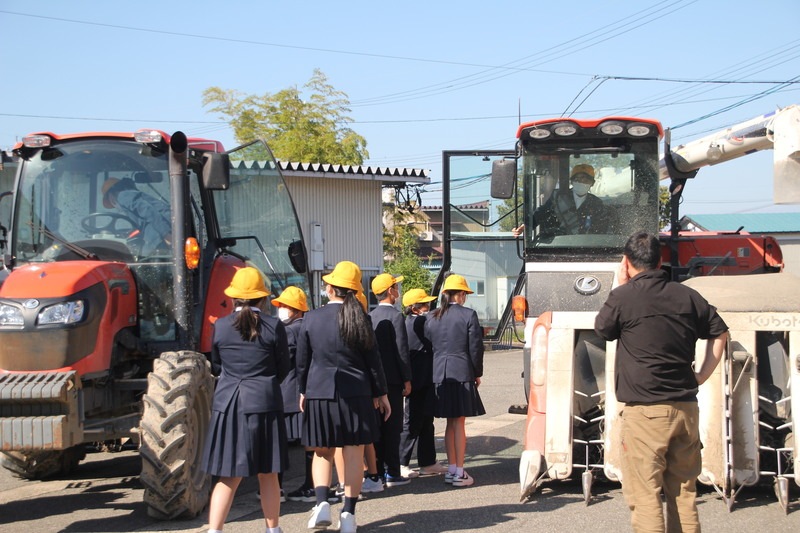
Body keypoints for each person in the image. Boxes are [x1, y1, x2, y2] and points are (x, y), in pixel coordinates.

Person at [594, 232, 729, 533]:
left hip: (645, 413)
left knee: (645, 497)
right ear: (660, 261)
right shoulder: (687, 296)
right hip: (685, 410)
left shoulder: (624, 297)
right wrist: (701, 375)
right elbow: (720, 332)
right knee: (684, 495)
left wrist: (620, 285)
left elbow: (603, 329)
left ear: (626, 262)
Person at [296, 261, 391, 533]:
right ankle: (348, 513)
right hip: (357, 393)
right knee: (353, 454)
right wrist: (381, 393)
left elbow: (302, 361)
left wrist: (303, 390)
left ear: (329, 288)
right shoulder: (362, 318)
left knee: (322, 452)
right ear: (355, 291)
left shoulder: (312, 318)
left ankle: (322, 503)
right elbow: (374, 361)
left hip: (319, 391)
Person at [201, 267, 291, 533]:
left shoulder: (220, 326)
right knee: (269, 473)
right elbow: (283, 368)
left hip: (229, 403)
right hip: (264, 401)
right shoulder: (274, 326)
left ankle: (215, 530)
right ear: (262, 298)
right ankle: (272, 530)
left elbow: (217, 364)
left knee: (228, 474)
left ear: (233, 297)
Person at [424, 274, 485, 488]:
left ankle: (451, 469)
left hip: (439, 372)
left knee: (450, 422)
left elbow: (429, 342)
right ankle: (459, 471)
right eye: (464, 294)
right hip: (461, 371)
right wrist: (477, 372)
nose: (465, 297)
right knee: (459, 423)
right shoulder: (468, 315)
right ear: (459, 294)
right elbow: (475, 347)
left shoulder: (431, 316)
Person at [271, 286, 316, 503]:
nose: (280, 308)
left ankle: (276, 488)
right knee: (310, 442)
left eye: (284, 305)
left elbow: (283, 361)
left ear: (296, 309)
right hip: (305, 391)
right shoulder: (308, 326)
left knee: (280, 443)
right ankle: (312, 484)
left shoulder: (289, 331)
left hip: (288, 393)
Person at [369, 273, 413, 488]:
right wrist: (407, 379)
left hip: (375, 381)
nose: (398, 291)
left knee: (377, 427)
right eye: (396, 287)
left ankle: (376, 470)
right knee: (393, 426)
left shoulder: (370, 316)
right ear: (390, 291)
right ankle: (393, 472)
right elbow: (401, 350)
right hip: (393, 381)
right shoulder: (396, 316)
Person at [399, 288, 449, 477]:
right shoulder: (418, 322)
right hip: (419, 380)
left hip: (423, 379)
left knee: (426, 421)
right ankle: (401, 462)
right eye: (425, 304)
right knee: (412, 422)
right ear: (414, 308)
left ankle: (428, 462)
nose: (429, 307)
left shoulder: (411, 322)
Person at [531, 164, 609, 236]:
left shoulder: (596, 203)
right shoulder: (557, 197)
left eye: (584, 179)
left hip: (587, 244)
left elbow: (602, 229)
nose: (580, 182)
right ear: (571, 182)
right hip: (558, 243)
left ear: (592, 183)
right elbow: (540, 214)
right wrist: (528, 225)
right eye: (576, 179)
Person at [101, 177, 172, 255]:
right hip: (159, 229)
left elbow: (147, 211)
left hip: (160, 230)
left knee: (145, 255)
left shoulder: (122, 196)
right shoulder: (129, 195)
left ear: (111, 195)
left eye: (109, 201)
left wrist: (166, 234)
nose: (114, 206)